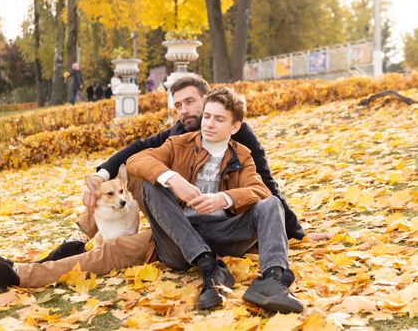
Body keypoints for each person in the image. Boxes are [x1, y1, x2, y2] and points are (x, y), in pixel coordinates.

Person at [0, 75, 327, 296]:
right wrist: (103, 179)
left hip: (215, 228)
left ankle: (21, 272)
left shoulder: (240, 140)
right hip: (171, 225)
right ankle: (36, 262)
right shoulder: (178, 137)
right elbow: (135, 155)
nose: (188, 112)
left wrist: (293, 230)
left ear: (219, 110)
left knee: (109, 251)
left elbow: (265, 187)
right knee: (125, 190)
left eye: (194, 104)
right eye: (181, 106)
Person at [126, 87, 302, 312]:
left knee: (271, 204)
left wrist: (224, 199)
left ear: (235, 126)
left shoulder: (242, 155)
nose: (209, 124)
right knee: (151, 183)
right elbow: (136, 160)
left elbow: (261, 191)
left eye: (219, 119)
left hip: (224, 233)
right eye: (207, 116)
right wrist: (173, 179)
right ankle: (209, 266)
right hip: (179, 240)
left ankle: (271, 280)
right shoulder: (178, 144)